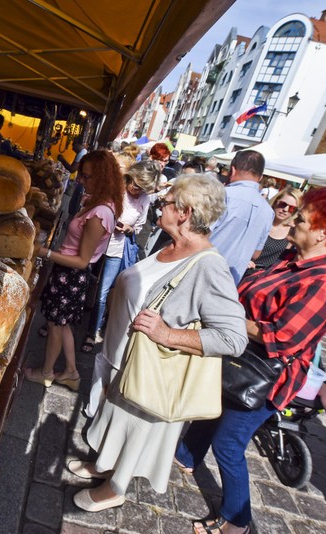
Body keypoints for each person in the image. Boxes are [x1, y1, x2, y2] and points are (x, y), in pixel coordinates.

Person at [176, 188, 326, 534]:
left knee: (229, 444)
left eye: (304, 218)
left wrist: (227, 317)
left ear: (325, 233)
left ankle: (237, 521)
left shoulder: (325, 281)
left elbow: (281, 337)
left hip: (266, 376)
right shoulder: (293, 259)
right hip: (241, 356)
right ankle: (186, 456)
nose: (295, 220)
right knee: (210, 407)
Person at [70, 174, 247, 511]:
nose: (160, 206)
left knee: (132, 428)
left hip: (150, 370)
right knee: (112, 420)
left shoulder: (209, 266)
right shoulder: (169, 245)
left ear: (185, 212)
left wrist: (168, 334)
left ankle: (114, 488)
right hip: (121, 355)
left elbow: (233, 338)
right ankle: (102, 465)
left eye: (167, 202)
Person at [24, 150, 124, 390]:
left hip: (70, 275)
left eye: (86, 177)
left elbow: (82, 261)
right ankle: (71, 372)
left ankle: (46, 372)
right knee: (64, 324)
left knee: (55, 325)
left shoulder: (101, 213)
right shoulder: (99, 204)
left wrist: (43, 252)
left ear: (102, 178)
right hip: (67, 274)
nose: (80, 180)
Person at [81, 160, 160, 353]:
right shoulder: (115, 186)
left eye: (143, 189)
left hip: (116, 248)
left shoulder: (144, 200)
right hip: (94, 241)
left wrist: (129, 228)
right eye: (136, 185)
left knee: (103, 293)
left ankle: (92, 332)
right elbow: (90, 202)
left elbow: (139, 227)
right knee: (81, 280)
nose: (137, 190)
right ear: (131, 176)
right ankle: (64, 318)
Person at [209, 150, 275, 283]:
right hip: (230, 283)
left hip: (201, 269)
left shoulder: (222, 194)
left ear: (232, 170)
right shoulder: (268, 211)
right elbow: (256, 254)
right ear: (260, 177)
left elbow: (197, 233)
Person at [243, 187, 302, 278]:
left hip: (266, 280)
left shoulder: (292, 233)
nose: (285, 209)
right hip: (243, 272)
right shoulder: (259, 222)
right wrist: (244, 260)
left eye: (291, 208)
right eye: (283, 204)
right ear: (275, 202)